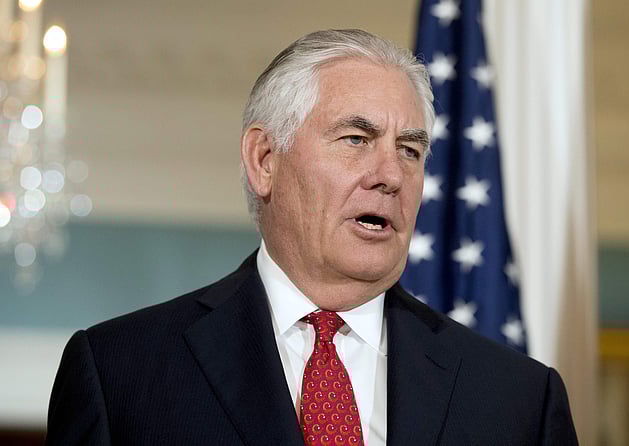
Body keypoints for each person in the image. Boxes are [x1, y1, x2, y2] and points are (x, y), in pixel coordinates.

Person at [45, 29, 578, 445]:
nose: (391, 175)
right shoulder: (121, 375)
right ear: (264, 160)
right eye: (357, 138)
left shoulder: (519, 400)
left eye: (410, 151)